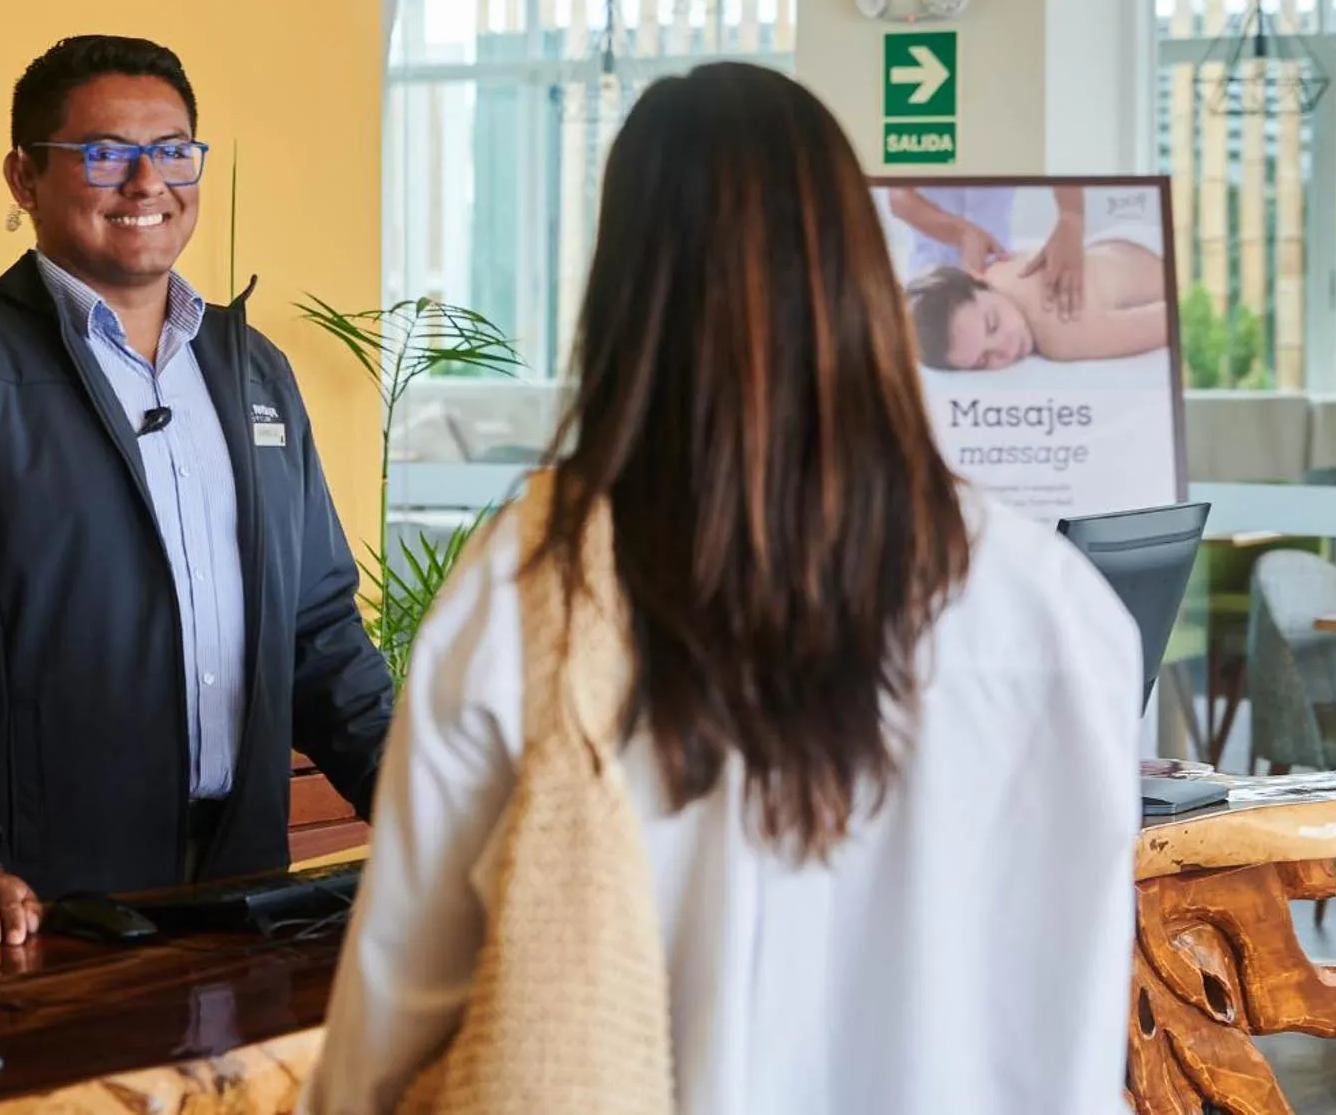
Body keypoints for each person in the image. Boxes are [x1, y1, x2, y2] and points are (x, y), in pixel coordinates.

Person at [306, 63, 1141, 1114]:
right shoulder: (1050, 605)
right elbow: (1072, 1009)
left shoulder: (531, 587)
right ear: (863, 274)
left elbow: (401, 997)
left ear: (622, 285)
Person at [0, 35, 393, 949]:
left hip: (245, 887)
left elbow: (317, 629)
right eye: (104, 153)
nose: (147, 182)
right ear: (24, 177)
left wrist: (423, 809)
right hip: (44, 900)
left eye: (172, 150)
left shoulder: (252, 370)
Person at [907, 233, 1169, 371]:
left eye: (993, 325)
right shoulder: (999, 270)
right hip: (1119, 243)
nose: (1004, 350)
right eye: (982, 361)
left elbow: (1172, 321)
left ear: (979, 279)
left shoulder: (1062, 332)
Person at [888, 183, 1089, 318]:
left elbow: (1057, 141)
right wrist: (960, 233)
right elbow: (898, 197)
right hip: (930, 270)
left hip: (998, 266)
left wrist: (1071, 218)